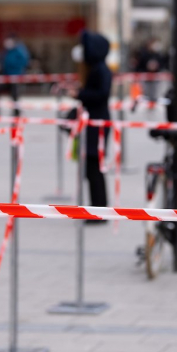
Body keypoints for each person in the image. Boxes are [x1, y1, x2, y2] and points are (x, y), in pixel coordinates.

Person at [67, 31, 112, 224]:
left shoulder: (101, 69)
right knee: (91, 168)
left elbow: (101, 94)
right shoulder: (96, 68)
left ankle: (99, 211)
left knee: (95, 168)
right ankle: (96, 209)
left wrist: (80, 94)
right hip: (92, 122)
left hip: (97, 124)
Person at [2, 34, 30, 116]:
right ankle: (15, 110)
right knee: (12, 94)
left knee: (15, 94)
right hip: (9, 75)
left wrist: (14, 66)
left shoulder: (19, 49)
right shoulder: (9, 50)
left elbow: (24, 61)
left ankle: (16, 110)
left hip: (16, 75)